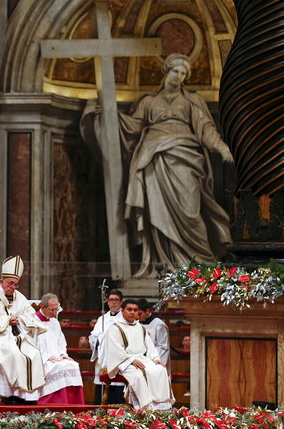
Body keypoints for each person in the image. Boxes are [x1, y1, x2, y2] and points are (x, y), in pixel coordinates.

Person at [82, 53, 233, 278]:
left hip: (185, 159)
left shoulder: (192, 100)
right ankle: (162, 266)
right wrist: (106, 114)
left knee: (191, 213)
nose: (179, 76)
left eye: (183, 73)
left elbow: (206, 129)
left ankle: (199, 265)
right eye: (175, 71)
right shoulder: (148, 101)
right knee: (157, 214)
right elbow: (131, 127)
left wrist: (222, 148)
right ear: (166, 71)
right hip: (153, 159)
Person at [0, 256, 45, 405]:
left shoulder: (19, 297)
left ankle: (27, 397)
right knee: (12, 353)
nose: (13, 287)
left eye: (16, 285)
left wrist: (19, 320)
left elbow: (29, 314)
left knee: (34, 354)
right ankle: (9, 394)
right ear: (2, 281)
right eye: (10, 283)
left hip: (17, 334)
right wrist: (6, 321)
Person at [103, 299, 175, 410]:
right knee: (138, 375)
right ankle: (143, 406)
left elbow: (150, 345)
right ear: (122, 311)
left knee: (159, 370)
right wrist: (131, 360)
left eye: (135, 310)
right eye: (129, 309)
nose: (132, 312)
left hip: (141, 359)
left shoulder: (140, 327)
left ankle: (161, 406)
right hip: (124, 362)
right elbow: (115, 350)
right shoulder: (115, 328)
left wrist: (155, 358)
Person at [35, 293, 84, 404]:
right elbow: (32, 345)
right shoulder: (33, 322)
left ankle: (74, 405)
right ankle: (59, 403)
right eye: (52, 310)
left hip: (57, 357)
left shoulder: (54, 322)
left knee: (73, 365)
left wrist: (63, 354)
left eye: (56, 309)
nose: (55, 313)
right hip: (42, 359)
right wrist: (46, 357)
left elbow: (61, 341)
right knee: (60, 368)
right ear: (42, 307)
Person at [88, 289, 125, 404]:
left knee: (118, 390)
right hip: (104, 359)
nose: (113, 303)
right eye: (111, 300)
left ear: (121, 302)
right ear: (107, 302)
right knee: (102, 391)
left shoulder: (125, 318)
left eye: (116, 300)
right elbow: (93, 337)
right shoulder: (102, 319)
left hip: (118, 360)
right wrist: (99, 340)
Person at [137, 299, 170, 374]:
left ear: (147, 311)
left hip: (153, 362)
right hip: (140, 361)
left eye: (140, 314)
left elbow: (163, 347)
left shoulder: (158, 325)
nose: (137, 317)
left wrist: (153, 361)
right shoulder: (136, 324)